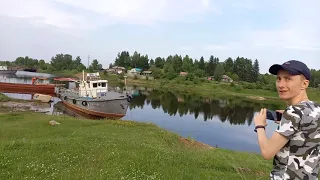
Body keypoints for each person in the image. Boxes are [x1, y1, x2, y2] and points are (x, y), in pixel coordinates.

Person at [253, 60, 320, 179]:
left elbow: (267, 152)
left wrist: (260, 126)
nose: (281, 84)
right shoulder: (316, 108)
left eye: (288, 79)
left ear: (304, 84)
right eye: (279, 78)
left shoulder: (293, 113)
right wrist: (289, 119)